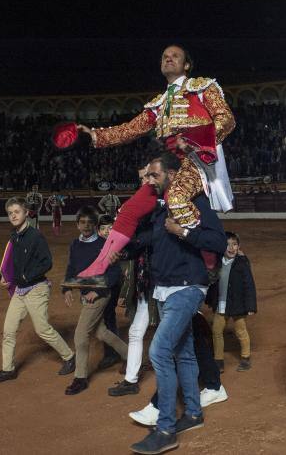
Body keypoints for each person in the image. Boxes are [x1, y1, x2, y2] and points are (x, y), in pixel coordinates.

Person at [65, 44, 235, 285]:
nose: (169, 58)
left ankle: (209, 263)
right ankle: (99, 265)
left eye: (175, 56)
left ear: (187, 65)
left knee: (176, 198)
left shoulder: (202, 88)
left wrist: (196, 141)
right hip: (166, 166)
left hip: (195, 162)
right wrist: (93, 135)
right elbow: (130, 129)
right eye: (165, 56)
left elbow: (226, 119)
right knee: (129, 210)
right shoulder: (158, 103)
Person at [129, 153, 227, 455]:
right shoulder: (159, 211)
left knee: (159, 351)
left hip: (188, 287)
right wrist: (121, 237)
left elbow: (219, 242)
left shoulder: (196, 203)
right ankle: (194, 413)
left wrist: (184, 231)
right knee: (183, 353)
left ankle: (166, 428)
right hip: (166, 289)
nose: (149, 181)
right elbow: (147, 239)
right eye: (147, 176)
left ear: (172, 174)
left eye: (154, 175)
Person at [0, 197, 75, 383]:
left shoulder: (35, 236)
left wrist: (28, 277)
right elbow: (10, 262)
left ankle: (69, 357)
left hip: (36, 288)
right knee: (9, 330)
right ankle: (8, 369)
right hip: (20, 290)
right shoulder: (14, 236)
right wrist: (4, 277)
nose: (13, 215)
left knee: (42, 329)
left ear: (26, 212)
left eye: (17, 212)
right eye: (10, 213)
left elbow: (47, 262)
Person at [61, 206, 128, 395]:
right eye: (82, 222)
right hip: (86, 294)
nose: (86, 226)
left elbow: (115, 272)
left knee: (80, 334)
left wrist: (97, 292)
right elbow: (71, 267)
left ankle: (80, 378)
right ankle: (131, 357)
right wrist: (67, 288)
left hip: (99, 295)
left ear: (95, 225)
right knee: (101, 332)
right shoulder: (75, 244)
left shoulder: (104, 244)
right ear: (77, 225)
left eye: (90, 222)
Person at [108, 164, 159, 397]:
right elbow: (136, 244)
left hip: (168, 280)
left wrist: (131, 244)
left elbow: (155, 236)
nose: (144, 182)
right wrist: (124, 251)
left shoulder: (164, 203)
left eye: (149, 176)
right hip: (145, 279)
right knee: (137, 331)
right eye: (141, 178)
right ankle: (131, 380)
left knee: (179, 331)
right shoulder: (139, 207)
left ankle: (199, 372)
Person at [129, 311, 228, 426]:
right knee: (194, 345)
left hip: (180, 303)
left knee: (171, 352)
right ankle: (214, 386)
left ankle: (159, 407)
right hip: (183, 305)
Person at [206, 231, 257, 373]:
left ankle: (245, 358)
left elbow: (249, 285)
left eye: (234, 244)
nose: (231, 248)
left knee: (241, 330)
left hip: (237, 304)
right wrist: (210, 300)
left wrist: (251, 306)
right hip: (221, 304)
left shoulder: (242, 263)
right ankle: (218, 360)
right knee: (216, 330)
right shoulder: (217, 262)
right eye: (227, 244)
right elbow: (212, 283)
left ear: (239, 247)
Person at [96, 213, 123, 370]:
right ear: (98, 231)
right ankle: (112, 352)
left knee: (108, 319)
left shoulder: (117, 245)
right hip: (102, 287)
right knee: (106, 319)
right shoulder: (96, 245)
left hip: (111, 288)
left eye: (110, 228)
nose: (106, 231)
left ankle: (112, 353)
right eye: (103, 228)